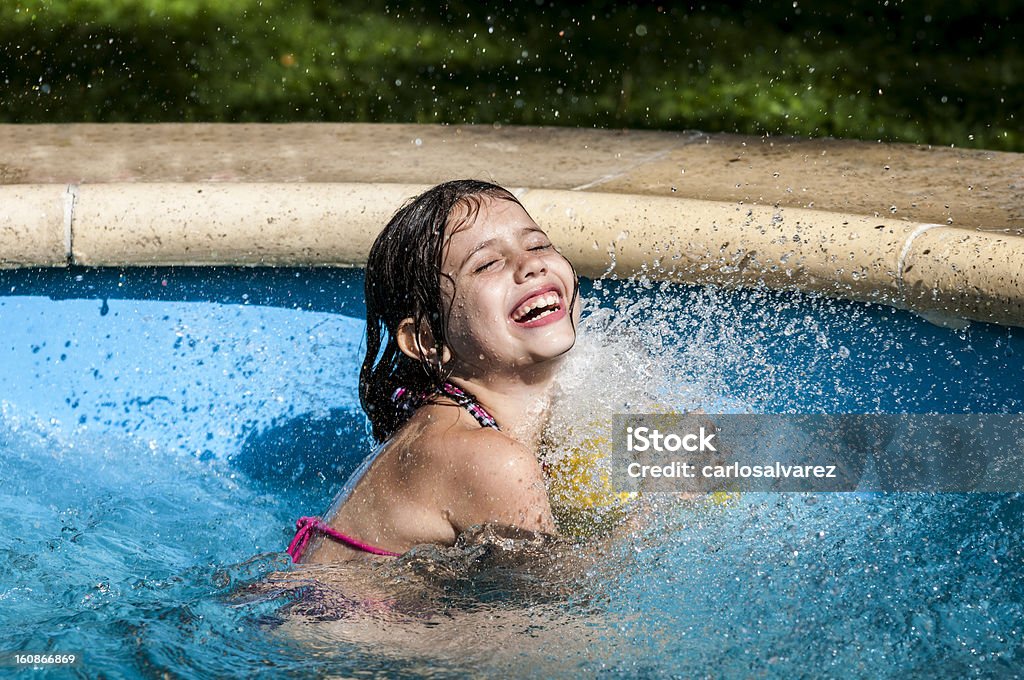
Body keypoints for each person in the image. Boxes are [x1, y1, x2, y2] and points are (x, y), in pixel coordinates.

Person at [287, 179, 580, 563]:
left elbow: (668, 458)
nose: (530, 265)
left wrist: (676, 451)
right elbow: (562, 597)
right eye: (487, 263)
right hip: (335, 618)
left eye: (538, 244)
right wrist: (654, 518)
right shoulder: (489, 460)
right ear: (427, 339)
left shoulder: (522, 410)